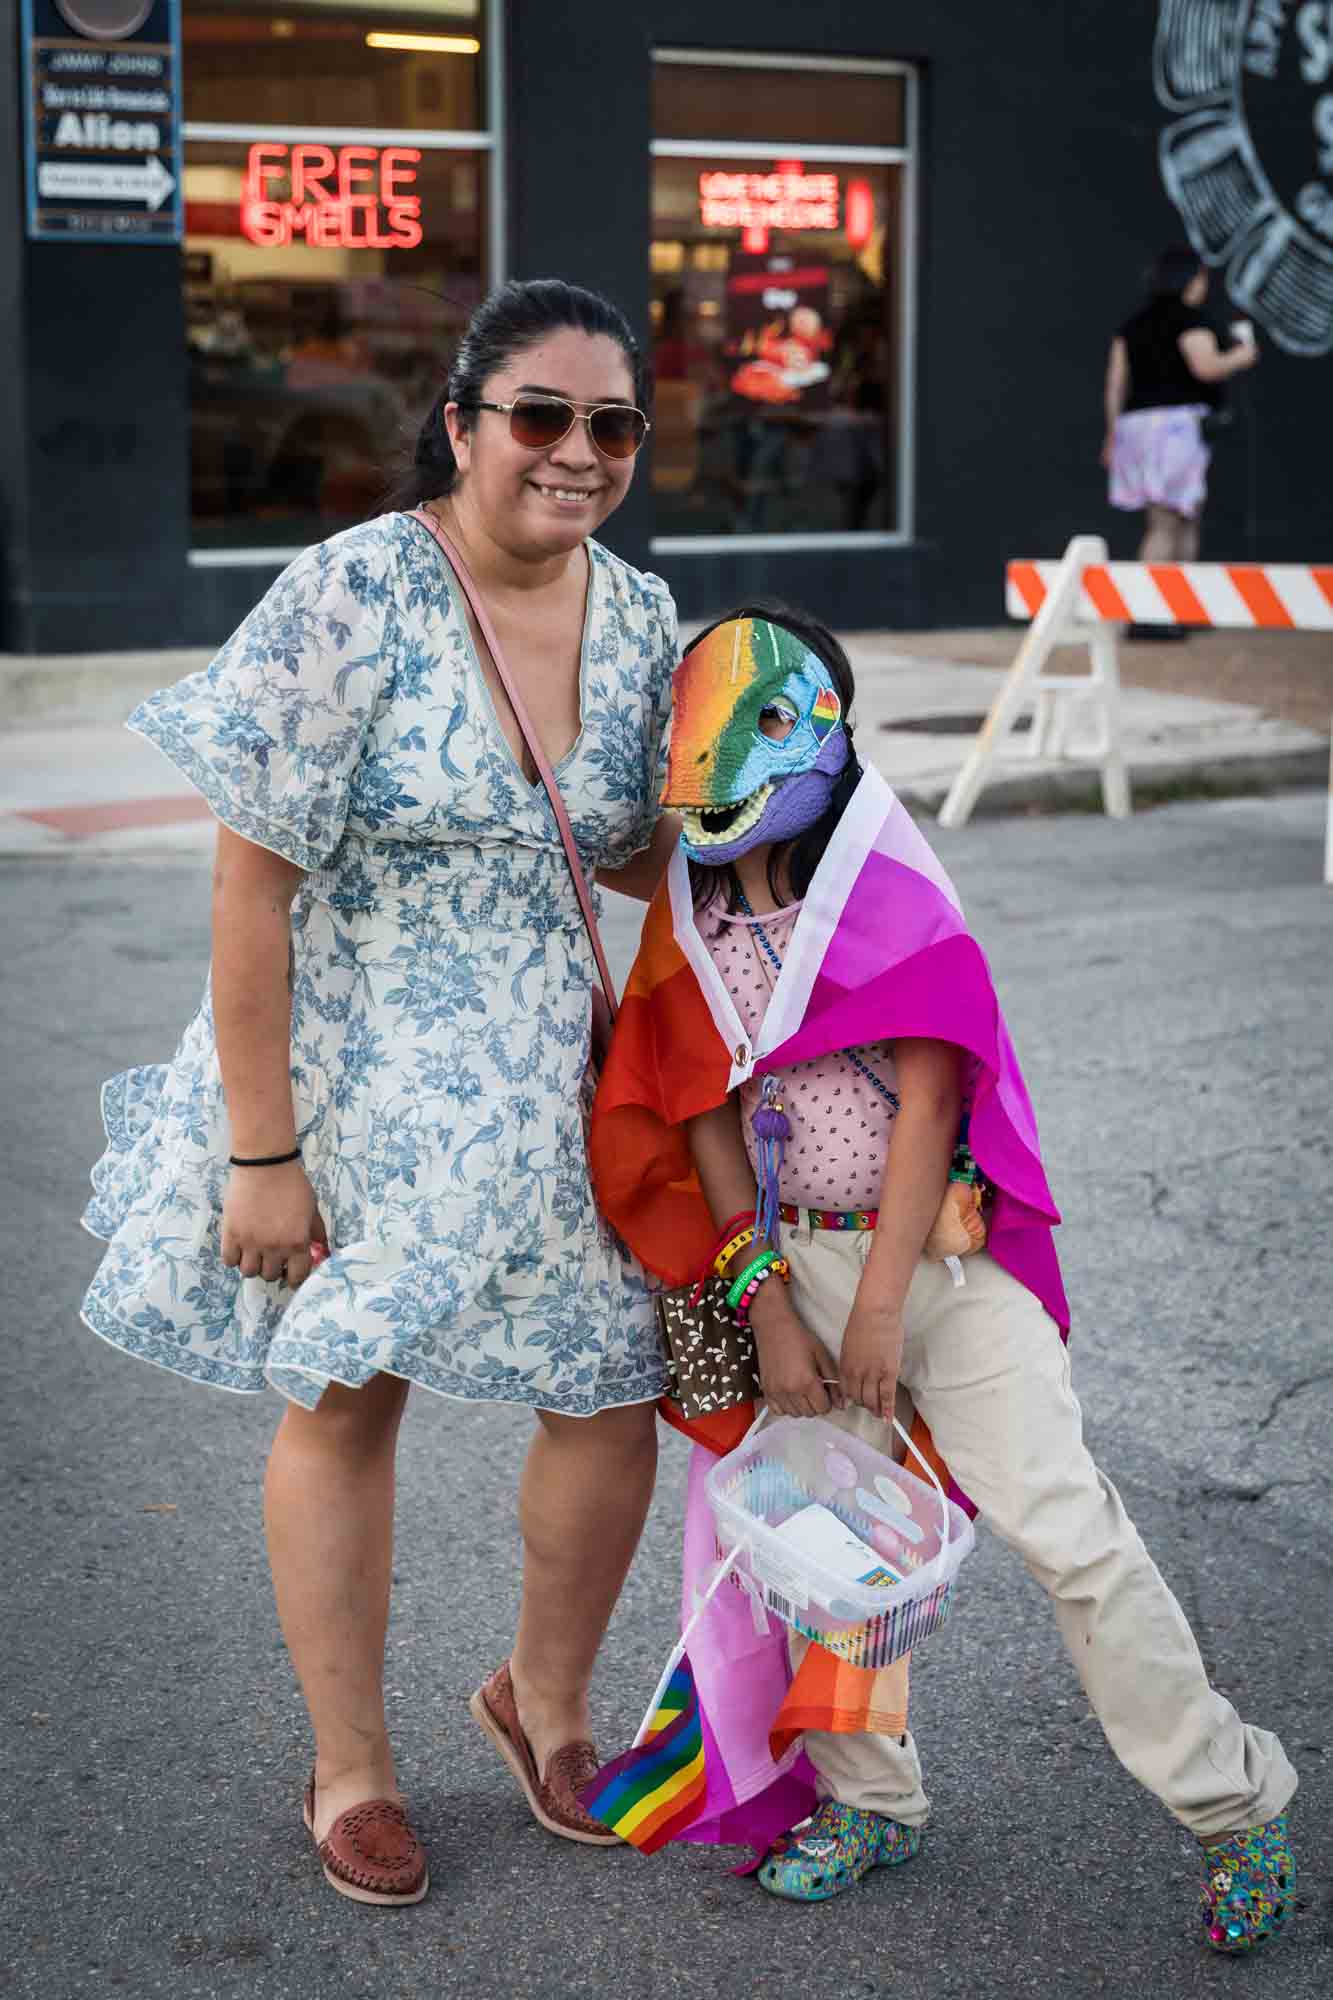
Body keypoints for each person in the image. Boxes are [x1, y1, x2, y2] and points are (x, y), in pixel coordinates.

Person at [80, 278, 681, 1906]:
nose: (576, 453)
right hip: (361, 1076)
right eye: (540, 417)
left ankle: (543, 1706)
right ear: (465, 421)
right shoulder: (351, 594)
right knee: (351, 1392)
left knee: (610, 1384)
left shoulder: (635, 616)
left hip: (565, 1081)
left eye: (610, 424)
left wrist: (781, 836)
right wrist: (263, 1152)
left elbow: (626, 844)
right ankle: (351, 1766)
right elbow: (246, 893)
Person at [590, 605, 1297, 1954]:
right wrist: (767, 1305)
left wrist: (873, 1304)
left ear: (826, 734)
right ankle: (869, 1801)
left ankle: (1231, 1808)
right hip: (787, 1271)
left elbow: (928, 1099)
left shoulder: (887, 883)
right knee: (829, 1557)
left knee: (1070, 1533)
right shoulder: (691, 907)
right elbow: (694, 1106)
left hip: (942, 1270)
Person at [1103, 244, 1259, 634]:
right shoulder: (1190, 321)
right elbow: (1206, 367)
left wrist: (1112, 434)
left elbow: (1115, 384)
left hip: (1136, 429)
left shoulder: (1133, 325)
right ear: (1190, 279)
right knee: (1167, 522)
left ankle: (1177, 608)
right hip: (1174, 430)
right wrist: (1243, 356)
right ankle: (1148, 613)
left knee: (1184, 517)